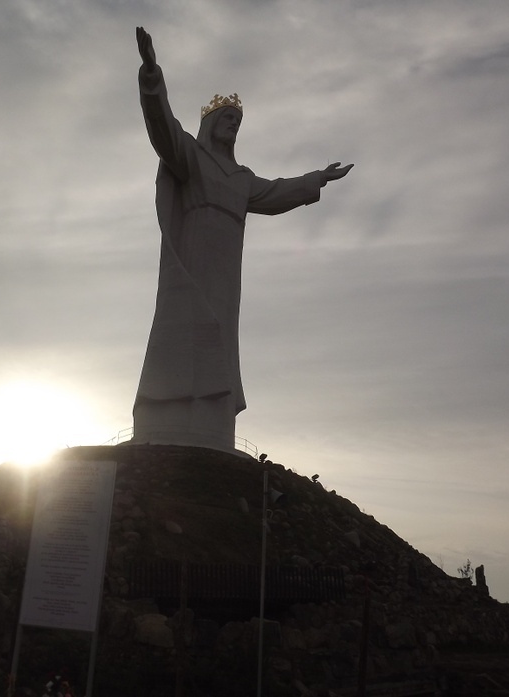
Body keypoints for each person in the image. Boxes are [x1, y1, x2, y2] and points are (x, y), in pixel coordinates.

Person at [132, 27, 352, 453]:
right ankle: (168, 405)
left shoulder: (241, 178)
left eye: (239, 122)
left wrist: (318, 178)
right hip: (194, 252)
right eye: (228, 120)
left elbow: (276, 193)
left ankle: (211, 410)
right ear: (211, 124)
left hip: (226, 265)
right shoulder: (192, 158)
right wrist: (152, 76)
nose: (234, 126)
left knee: (219, 330)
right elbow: (163, 129)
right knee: (185, 323)